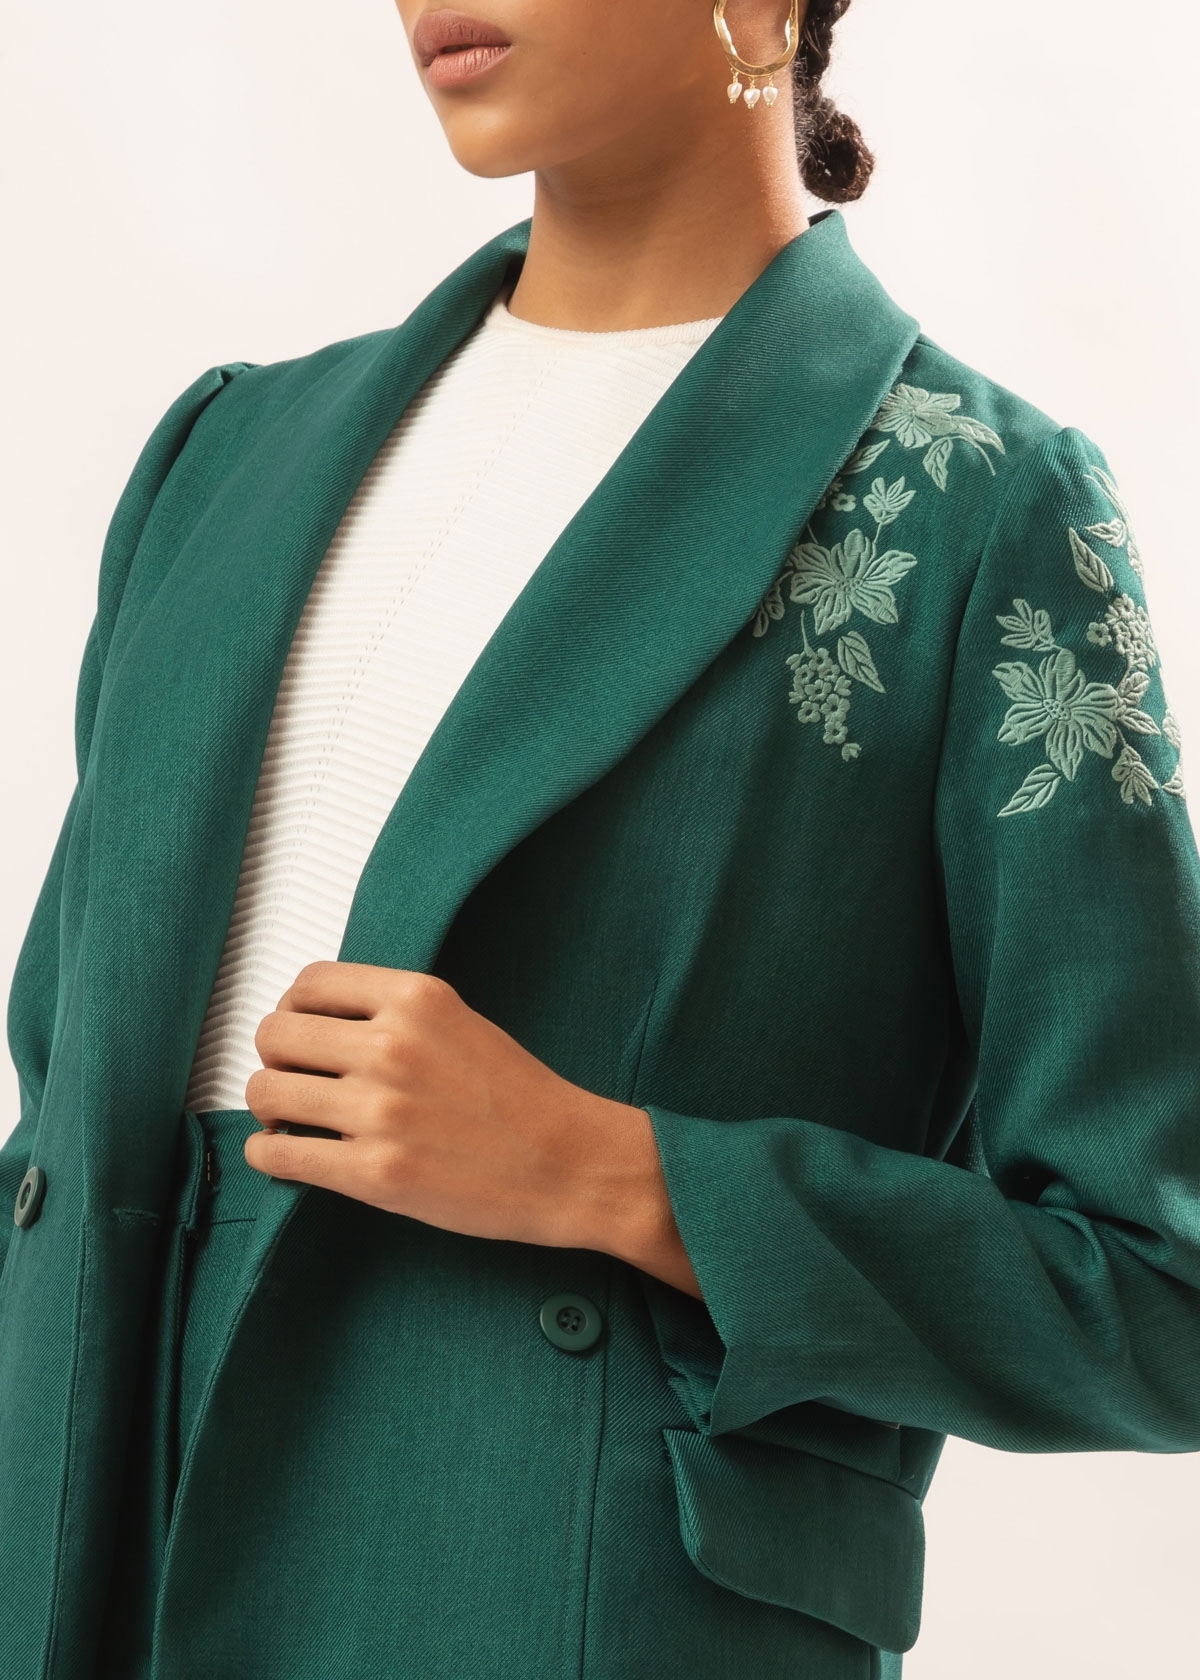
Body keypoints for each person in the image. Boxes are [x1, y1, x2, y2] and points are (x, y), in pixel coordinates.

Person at [3, 2, 1199, 1676]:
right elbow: (61, 1115)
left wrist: (620, 1177)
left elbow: (1160, 1291)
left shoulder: (981, 505)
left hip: (545, 1601)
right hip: (83, 1566)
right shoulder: (224, 457)